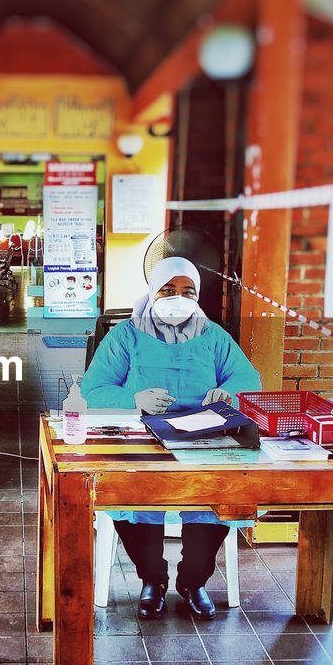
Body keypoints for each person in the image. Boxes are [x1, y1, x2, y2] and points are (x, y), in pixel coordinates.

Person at [80, 256, 261, 620]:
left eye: (187, 291)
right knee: (133, 500)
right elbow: (92, 390)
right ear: (152, 291)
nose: (177, 297)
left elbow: (248, 379)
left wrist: (228, 394)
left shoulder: (213, 336)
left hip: (205, 439)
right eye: (168, 290)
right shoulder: (126, 336)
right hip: (142, 437)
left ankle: (193, 582)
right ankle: (153, 580)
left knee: (214, 501)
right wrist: (133, 401)